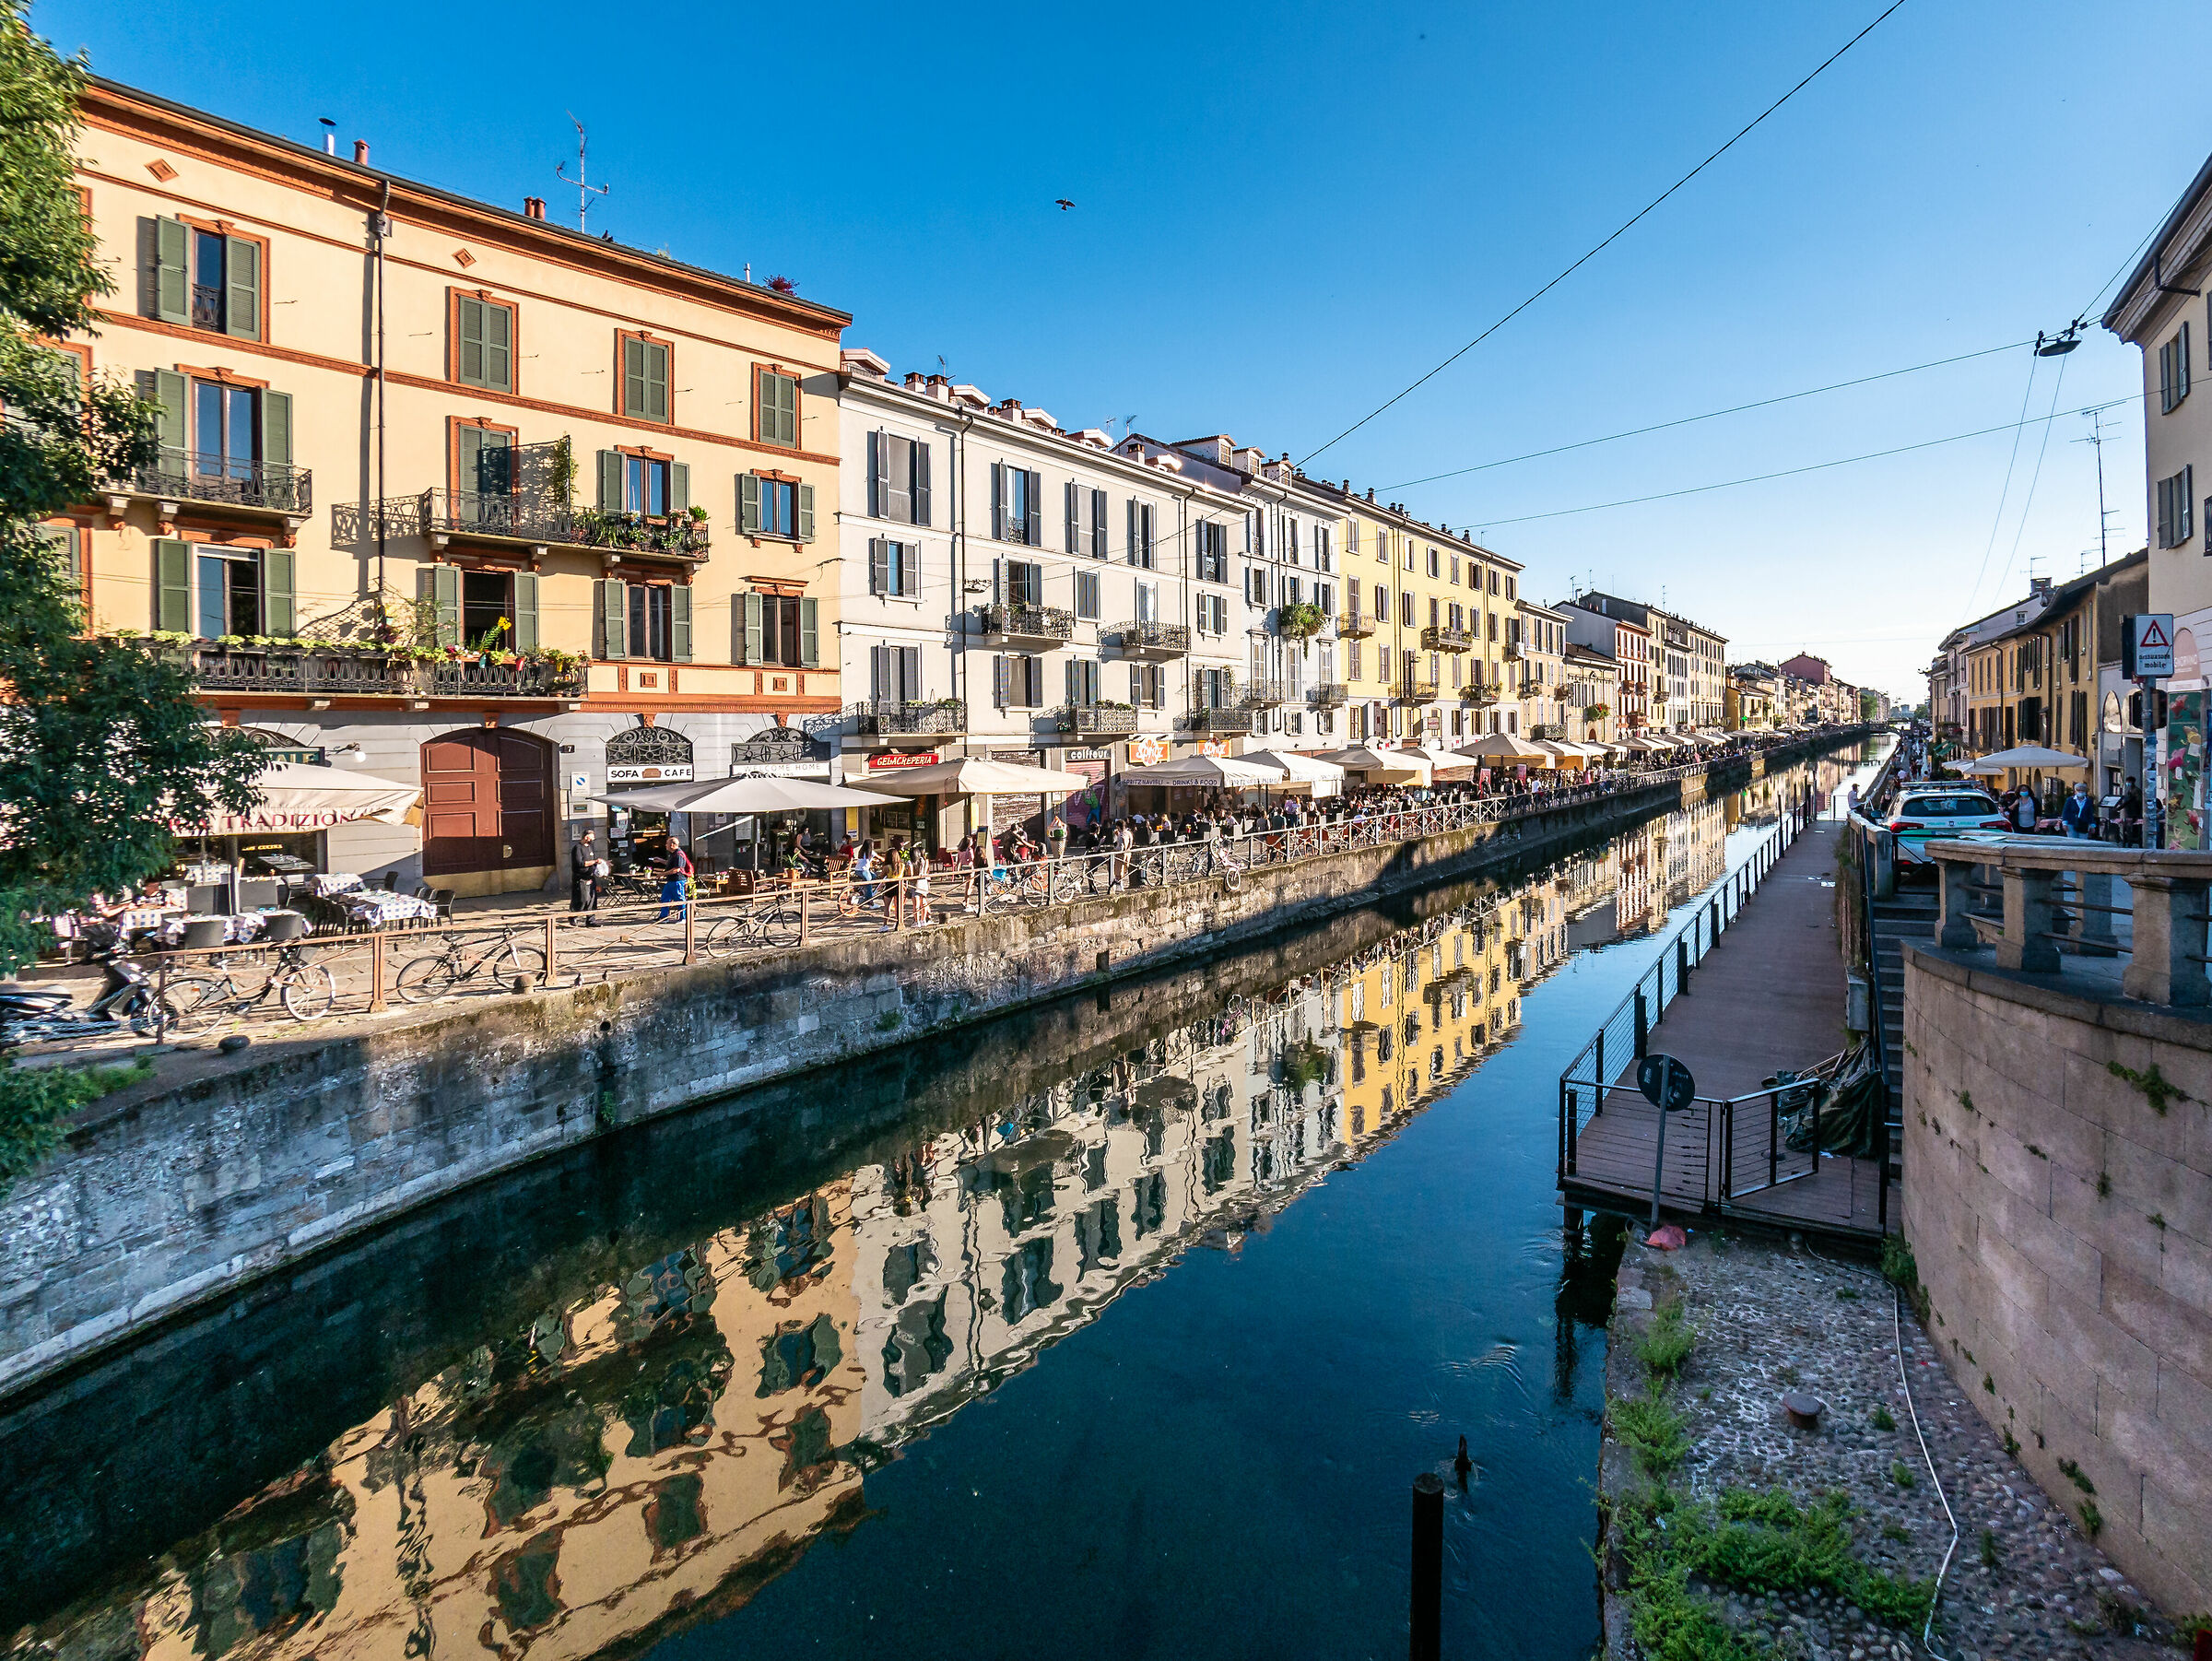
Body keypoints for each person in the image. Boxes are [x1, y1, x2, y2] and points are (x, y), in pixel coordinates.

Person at [656, 840, 693, 922]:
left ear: (672, 845)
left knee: (680, 899)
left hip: (677, 880)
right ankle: (664, 917)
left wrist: (662, 874)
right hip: (671, 881)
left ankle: (684, 918)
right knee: (665, 898)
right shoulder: (673, 854)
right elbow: (669, 863)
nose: (665, 845)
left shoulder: (679, 854)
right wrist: (660, 860)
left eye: (667, 843)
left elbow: (676, 869)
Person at [571, 829, 599, 914]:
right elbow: (580, 863)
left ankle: (591, 920)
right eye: (591, 838)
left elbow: (592, 862)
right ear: (586, 837)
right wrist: (595, 861)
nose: (593, 840)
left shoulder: (590, 848)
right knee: (582, 899)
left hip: (590, 876)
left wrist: (602, 864)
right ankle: (573, 916)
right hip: (580, 878)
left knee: (592, 899)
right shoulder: (577, 848)